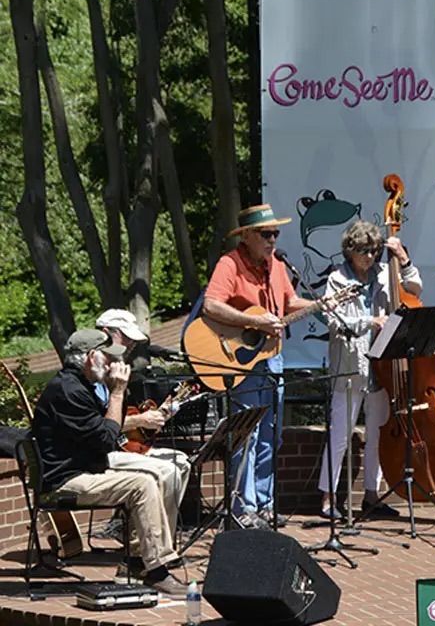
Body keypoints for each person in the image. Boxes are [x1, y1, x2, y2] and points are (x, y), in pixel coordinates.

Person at [31, 329, 185, 596]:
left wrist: (118, 393)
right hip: (64, 479)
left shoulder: (81, 384)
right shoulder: (68, 391)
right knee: (141, 483)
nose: (116, 362)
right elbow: (106, 438)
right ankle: (156, 569)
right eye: (108, 356)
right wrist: (117, 392)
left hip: (87, 464)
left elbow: (107, 431)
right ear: (91, 357)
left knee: (161, 471)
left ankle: (139, 561)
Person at [203, 204, 320, 529]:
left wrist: (322, 304)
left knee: (271, 434)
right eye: (266, 234)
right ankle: (244, 508)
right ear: (247, 236)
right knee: (248, 436)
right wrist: (252, 319)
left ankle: (265, 504)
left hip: (273, 358)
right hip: (242, 362)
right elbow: (212, 305)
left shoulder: (276, 265)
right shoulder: (230, 263)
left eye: (275, 234)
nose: (272, 240)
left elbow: (287, 303)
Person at [317, 220, 421, 519]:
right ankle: (328, 499)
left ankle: (372, 496)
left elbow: (414, 288)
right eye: (364, 251)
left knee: (377, 433)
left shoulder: (384, 273)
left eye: (374, 250)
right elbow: (334, 322)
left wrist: (403, 259)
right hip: (350, 366)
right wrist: (369, 322)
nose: (370, 257)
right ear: (350, 251)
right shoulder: (337, 278)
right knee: (341, 434)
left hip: (381, 366)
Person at [92, 309, 191, 544]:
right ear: (106, 334)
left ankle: (162, 541)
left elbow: (123, 423)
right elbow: (97, 426)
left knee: (182, 463)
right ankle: (145, 546)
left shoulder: (119, 368)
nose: (131, 346)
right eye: (126, 339)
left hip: (123, 446)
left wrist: (154, 420)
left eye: (134, 341)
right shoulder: (92, 374)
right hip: (99, 454)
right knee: (167, 470)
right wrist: (139, 420)